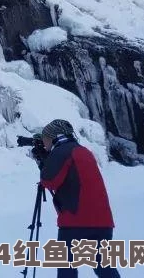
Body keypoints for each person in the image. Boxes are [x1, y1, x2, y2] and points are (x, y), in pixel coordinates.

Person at [36, 119, 120, 277]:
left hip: (76, 221)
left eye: (45, 138)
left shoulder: (62, 151)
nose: (43, 142)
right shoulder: (82, 150)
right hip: (103, 222)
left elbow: (48, 180)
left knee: (66, 269)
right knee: (104, 268)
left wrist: (42, 161)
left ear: (53, 137)